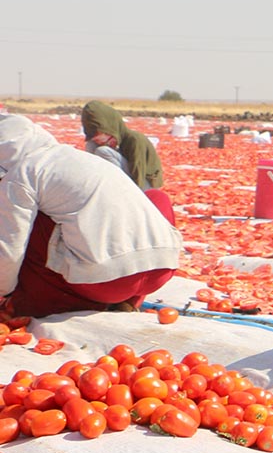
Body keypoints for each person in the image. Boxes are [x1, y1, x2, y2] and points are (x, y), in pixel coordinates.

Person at [0, 114, 182, 318]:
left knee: (31, 226)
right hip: (160, 270)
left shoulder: (20, 175)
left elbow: (10, 250)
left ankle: (46, 304)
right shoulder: (78, 158)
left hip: (105, 283)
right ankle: (129, 301)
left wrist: (5, 293)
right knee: (156, 197)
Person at [81, 100, 164, 189]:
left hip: (145, 183)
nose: (99, 142)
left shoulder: (134, 140)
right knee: (91, 146)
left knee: (102, 151)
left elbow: (138, 174)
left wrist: (129, 197)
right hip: (129, 178)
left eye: (102, 136)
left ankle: (116, 187)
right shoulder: (114, 141)